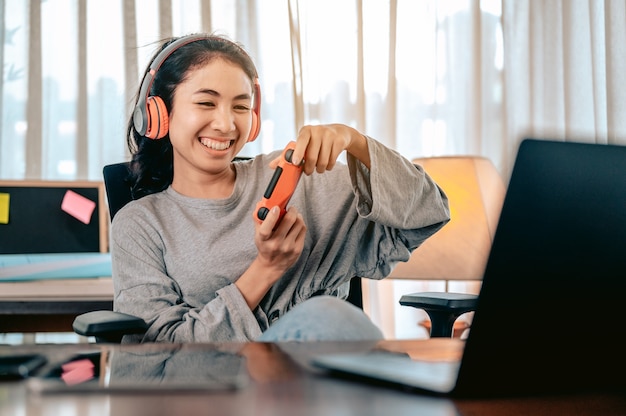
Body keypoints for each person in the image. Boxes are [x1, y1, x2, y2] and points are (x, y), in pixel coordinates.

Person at [112, 33, 450, 343]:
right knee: (326, 316)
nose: (227, 124)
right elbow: (158, 353)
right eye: (206, 103)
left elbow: (429, 213)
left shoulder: (306, 180)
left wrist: (356, 142)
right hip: (217, 392)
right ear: (158, 112)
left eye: (241, 107)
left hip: (323, 385)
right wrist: (267, 268)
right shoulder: (140, 225)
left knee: (330, 320)